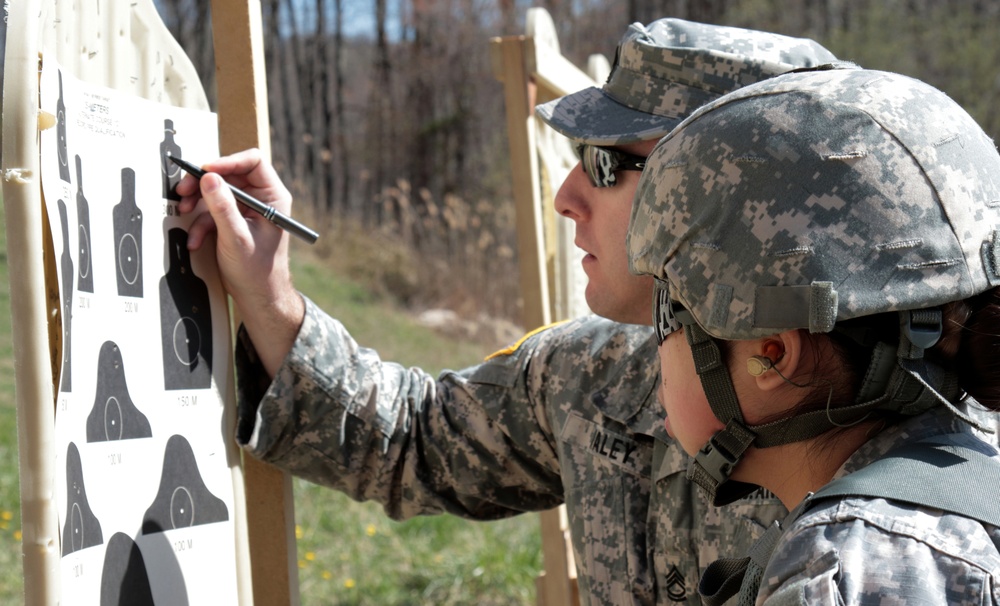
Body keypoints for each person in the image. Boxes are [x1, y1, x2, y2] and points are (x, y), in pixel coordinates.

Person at [178, 19, 836, 605]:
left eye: (604, 164)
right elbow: (411, 439)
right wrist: (268, 291)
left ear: (730, 198)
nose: (566, 196)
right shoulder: (594, 375)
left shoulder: (891, 457)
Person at [626, 63, 1000, 604]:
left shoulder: (842, 572)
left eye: (667, 309)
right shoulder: (971, 480)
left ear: (771, 355)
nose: (652, 342)